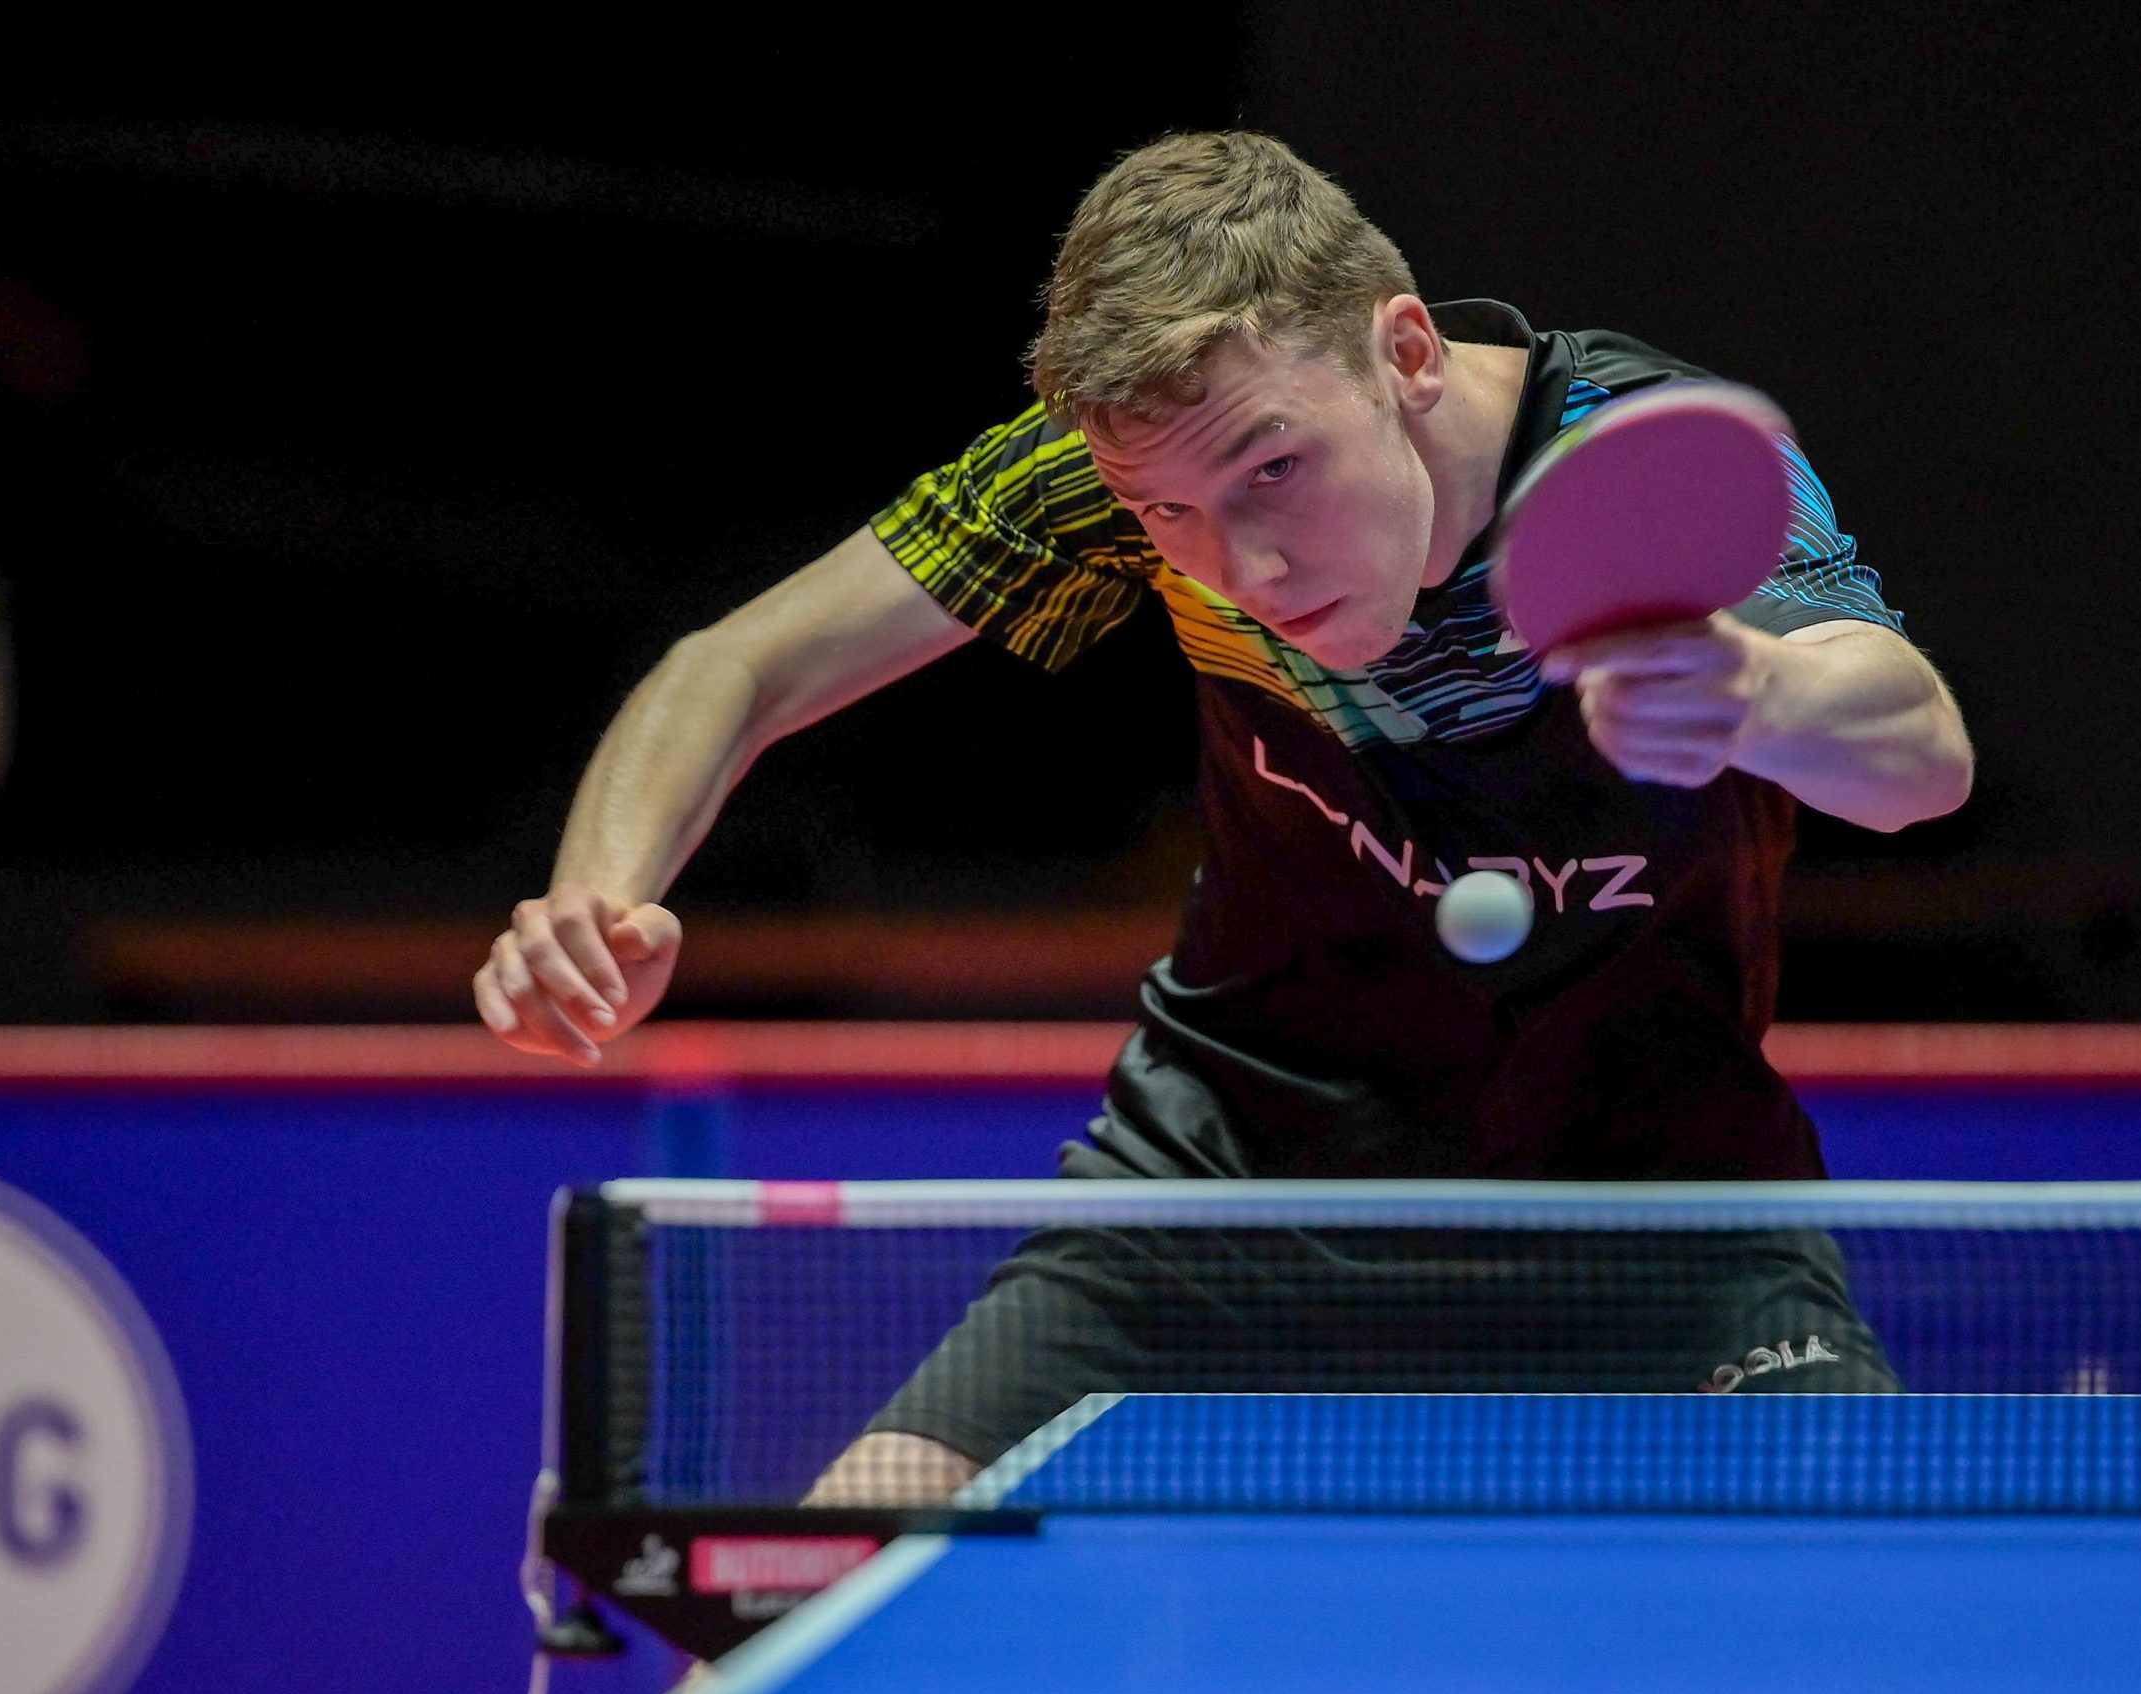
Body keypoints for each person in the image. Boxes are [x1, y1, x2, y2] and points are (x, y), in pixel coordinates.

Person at [475, 133, 1973, 1503]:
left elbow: (1923, 760)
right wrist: (596, 896)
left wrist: (1758, 690)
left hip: (1663, 1227)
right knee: (802, 1598)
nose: (1244, 564)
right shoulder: (1132, 468)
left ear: (1404, 352)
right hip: (1219, 1202)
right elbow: (738, 664)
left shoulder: (1632, 460)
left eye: (1277, 468)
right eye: (1170, 515)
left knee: (1860, 1603)